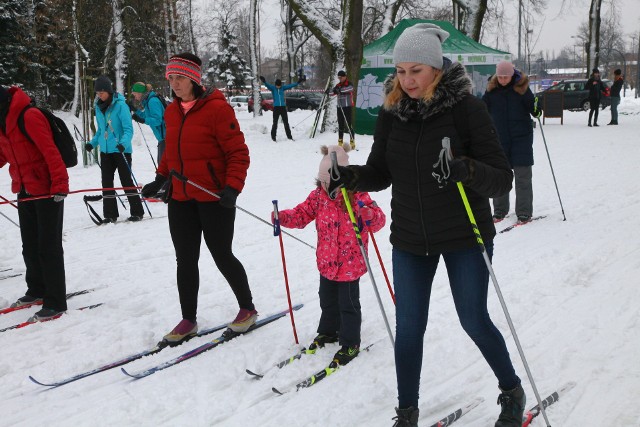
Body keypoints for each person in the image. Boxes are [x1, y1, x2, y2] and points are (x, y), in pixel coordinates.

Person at [327, 23, 523, 427]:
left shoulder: (467, 109)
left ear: (435, 68)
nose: (407, 79)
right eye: (400, 71)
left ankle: (511, 390)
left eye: (416, 70)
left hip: (464, 235)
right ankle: (407, 413)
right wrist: (352, 178)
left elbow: (502, 178)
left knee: (473, 320)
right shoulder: (392, 113)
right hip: (412, 239)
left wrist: (466, 168)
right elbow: (382, 171)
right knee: (409, 327)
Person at [141, 52, 257, 344]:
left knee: (221, 255)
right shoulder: (171, 111)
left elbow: (238, 153)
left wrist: (232, 188)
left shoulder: (218, 110)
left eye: (180, 78)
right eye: (171, 79)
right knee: (185, 259)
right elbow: (171, 150)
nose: (175, 84)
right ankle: (188, 320)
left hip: (214, 197)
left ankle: (247, 308)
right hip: (180, 197)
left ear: (193, 79)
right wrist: (160, 177)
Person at [275, 144, 385, 366]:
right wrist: (283, 218)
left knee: (348, 305)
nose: (327, 188)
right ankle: (328, 332)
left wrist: (368, 214)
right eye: (323, 183)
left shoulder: (359, 197)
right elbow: (301, 214)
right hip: (326, 263)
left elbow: (379, 221)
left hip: (351, 265)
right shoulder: (318, 197)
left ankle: (350, 342)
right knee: (327, 301)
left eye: (331, 184)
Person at [0, 86, 69, 321]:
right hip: (24, 189)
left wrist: (60, 184)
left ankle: (55, 301)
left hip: (48, 190)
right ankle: (37, 290)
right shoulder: (2, 122)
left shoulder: (29, 116)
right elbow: (3, 154)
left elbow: (51, 152)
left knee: (48, 247)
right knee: (29, 244)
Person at [483, 60, 539, 224]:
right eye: (500, 77)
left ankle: (523, 212)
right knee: (500, 176)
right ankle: (500, 210)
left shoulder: (522, 89)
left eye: (505, 77)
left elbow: (534, 109)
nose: (502, 80)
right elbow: (482, 109)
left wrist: (536, 107)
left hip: (521, 139)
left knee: (522, 177)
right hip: (499, 140)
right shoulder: (492, 91)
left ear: (512, 75)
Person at [85, 75, 144, 223]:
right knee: (106, 182)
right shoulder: (98, 107)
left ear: (109, 91)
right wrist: (92, 143)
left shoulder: (121, 106)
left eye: (102, 93)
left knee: (126, 180)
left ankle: (137, 211)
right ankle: (110, 215)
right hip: (105, 151)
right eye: (97, 93)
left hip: (121, 150)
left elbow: (128, 129)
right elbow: (100, 130)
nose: (99, 96)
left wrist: (123, 143)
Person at [259, 75, 305, 141]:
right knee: (275, 123)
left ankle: (289, 137)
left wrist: (297, 82)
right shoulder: (273, 88)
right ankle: (273, 137)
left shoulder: (283, 88)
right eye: (278, 86)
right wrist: (264, 81)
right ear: (275, 85)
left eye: (280, 85)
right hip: (276, 108)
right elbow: (267, 85)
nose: (279, 87)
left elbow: (290, 86)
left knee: (286, 123)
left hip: (283, 108)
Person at [130, 82, 167, 162]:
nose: (135, 98)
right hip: (163, 138)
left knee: (163, 167)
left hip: (166, 138)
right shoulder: (148, 100)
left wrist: (143, 120)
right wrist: (136, 110)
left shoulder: (152, 101)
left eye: (135, 94)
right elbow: (147, 116)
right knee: (162, 166)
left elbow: (157, 120)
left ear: (140, 93)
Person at [327, 70, 355, 149]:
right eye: (339, 77)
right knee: (340, 125)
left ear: (345, 77)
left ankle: (352, 141)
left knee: (349, 124)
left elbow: (350, 89)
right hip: (340, 107)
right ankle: (340, 141)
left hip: (347, 107)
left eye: (341, 77)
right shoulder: (338, 85)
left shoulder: (349, 84)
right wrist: (328, 92)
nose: (340, 79)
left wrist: (340, 90)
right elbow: (332, 92)